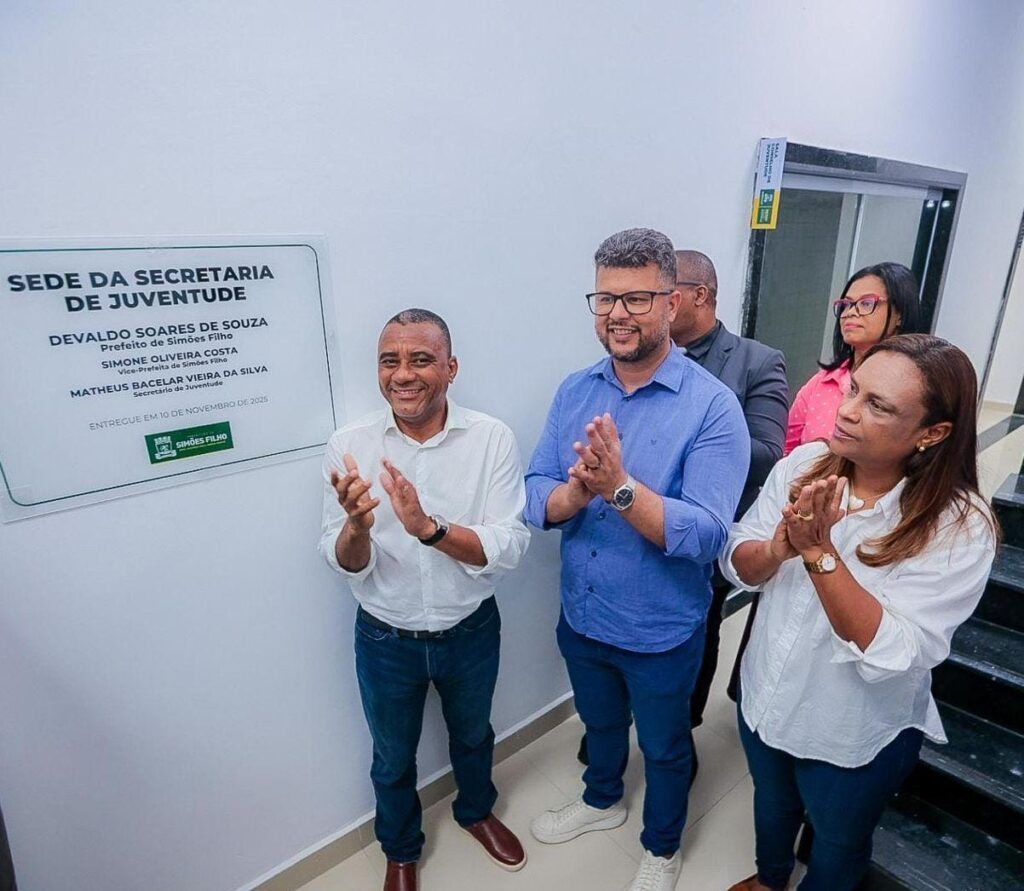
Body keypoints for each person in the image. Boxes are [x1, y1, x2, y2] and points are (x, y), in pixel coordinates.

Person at [721, 333, 997, 891]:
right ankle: (770, 879)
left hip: (848, 732)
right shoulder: (804, 464)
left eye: (878, 406)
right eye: (853, 390)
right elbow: (737, 558)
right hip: (766, 694)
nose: (846, 411)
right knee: (772, 803)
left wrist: (820, 554)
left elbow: (899, 650)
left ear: (932, 433)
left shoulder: (959, 527)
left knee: (838, 842)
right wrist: (778, 549)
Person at [524, 228, 749, 891]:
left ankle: (662, 844)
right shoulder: (574, 390)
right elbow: (534, 494)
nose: (617, 314)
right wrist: (576, 491)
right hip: (583, 614)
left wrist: (619, 487)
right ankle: (602, 799)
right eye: (605, 298)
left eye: (636, 298)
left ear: (672, 303)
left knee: (665, 747)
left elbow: (707, 534)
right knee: (599, 725)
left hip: (660, 631)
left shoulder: (713, 408)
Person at [318, 309, 530, 891]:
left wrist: (428, 530)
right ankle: (401, 849)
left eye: (420, 359)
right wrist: (357, 528)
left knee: (474, 735)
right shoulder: (349, 446)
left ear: (451, 368)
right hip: (385, 636)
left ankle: (476, 812)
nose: (403, 374)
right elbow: (343, 560)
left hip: (471, 629)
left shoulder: (491, 438)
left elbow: (509, 545)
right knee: (392, 756)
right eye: (390, 361)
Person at [575, 249, 788, 774]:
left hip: (703, 529)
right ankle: (609, 735)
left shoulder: (755, 362)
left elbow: (768, 450)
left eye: (647, 297)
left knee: (696, 643)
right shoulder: (622, 364)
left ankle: (677, 735)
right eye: (616, 299)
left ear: (692, 297)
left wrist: (699, 434)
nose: (630, 310)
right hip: (621, 532)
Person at [785, 262, 922, 455]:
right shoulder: (821, 383)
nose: (850, 312)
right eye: (846, 304)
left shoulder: (915, 386)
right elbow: (787, 452)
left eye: (866, 303)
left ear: (899, 313)